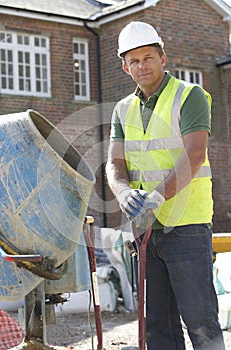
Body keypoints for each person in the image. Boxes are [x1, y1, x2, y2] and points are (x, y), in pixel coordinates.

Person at [106, 21, 225, 350]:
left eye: (148, 57)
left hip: (186, 226)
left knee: (200, 322)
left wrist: (156, 197)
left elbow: (195, 154)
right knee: (156, 325)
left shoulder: (190, 96)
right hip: (145, 229)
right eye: (134, 60)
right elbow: (115, 163)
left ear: (163, 58)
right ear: (124, 66)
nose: (141, 65)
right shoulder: (122, 109)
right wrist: (125, 193)